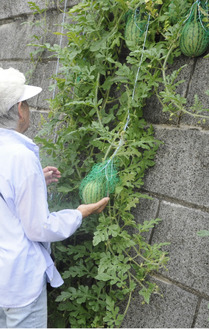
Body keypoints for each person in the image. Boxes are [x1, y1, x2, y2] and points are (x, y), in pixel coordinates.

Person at [0, 67, 109, 328]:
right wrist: (80, 213)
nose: (29, 109)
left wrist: (38, 180)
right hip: (20, 283)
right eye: (26, 103)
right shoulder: (21, 156)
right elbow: (39, 228)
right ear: (18, 109)